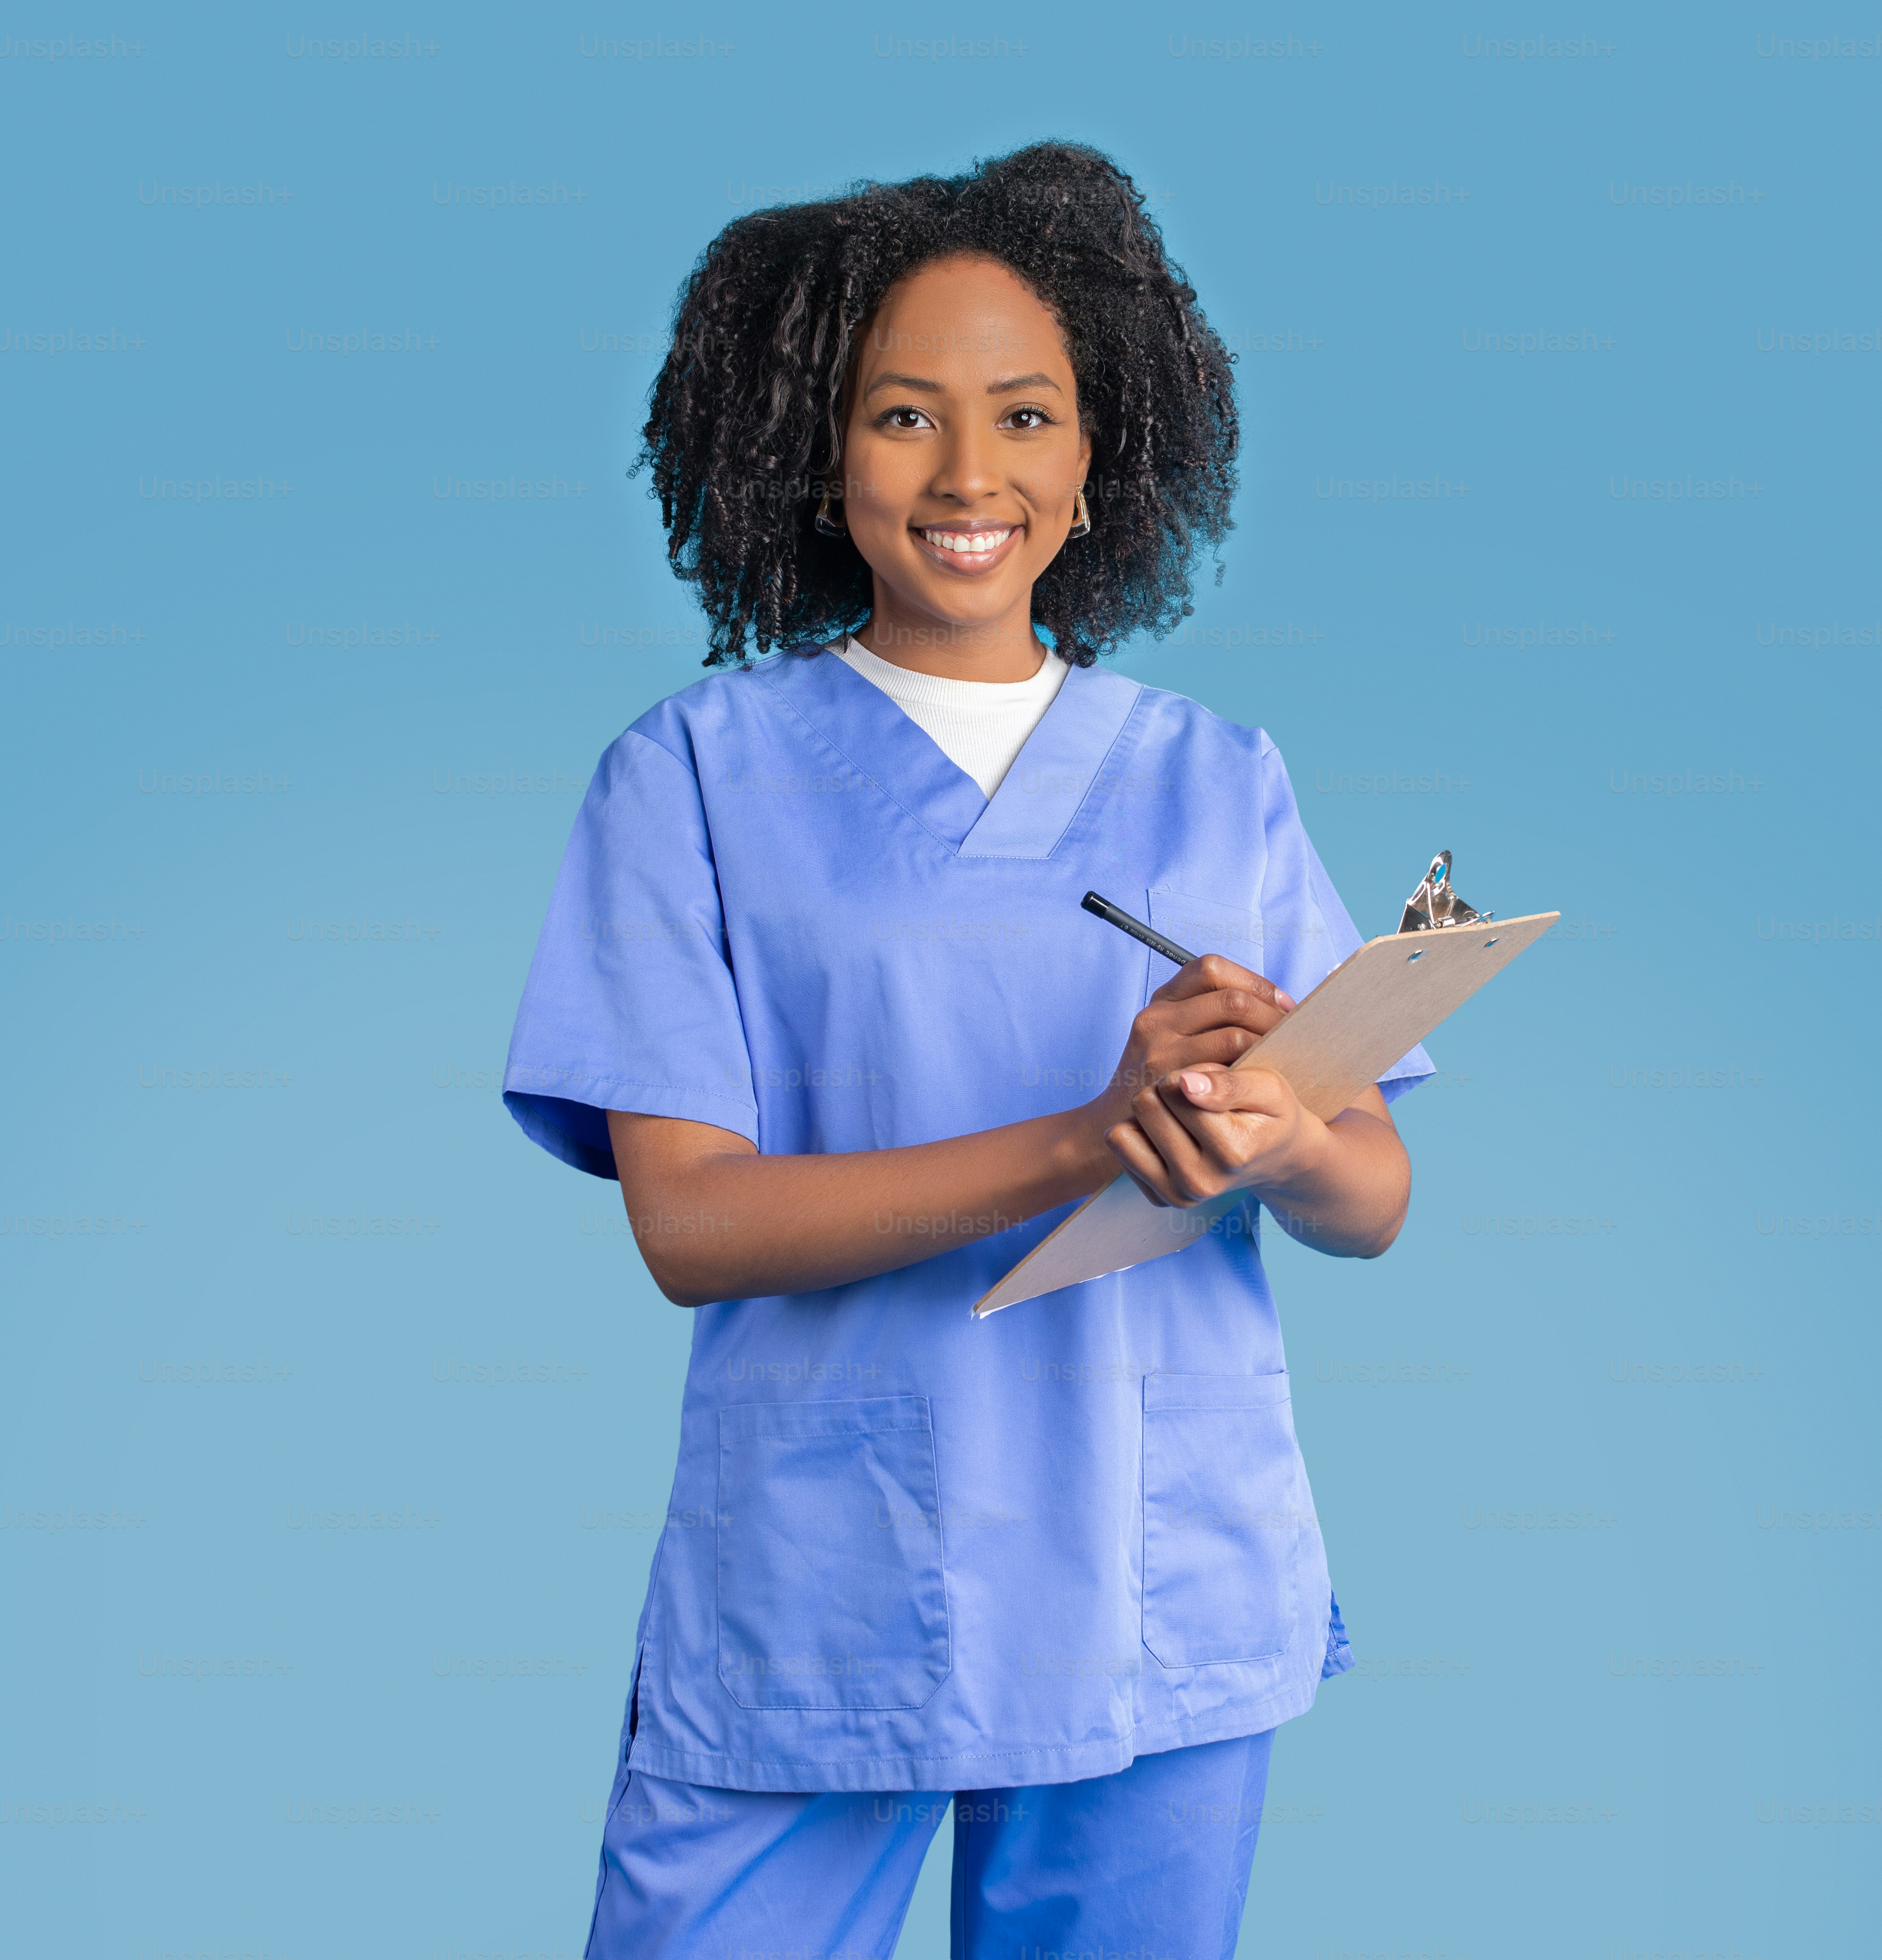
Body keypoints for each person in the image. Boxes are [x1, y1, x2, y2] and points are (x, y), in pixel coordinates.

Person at [501, 140, 1430, 1960]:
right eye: (901, 416)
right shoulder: (688, 779)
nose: (967, 475)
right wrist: (1089, 1139)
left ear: (1098, 459)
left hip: (1156, 1560)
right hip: (823, 1570)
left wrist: (1268, 1131)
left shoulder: (1213, 778)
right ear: (809, 452)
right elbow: (688, 1224)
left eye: (1024, 415)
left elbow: (1371, 1197)